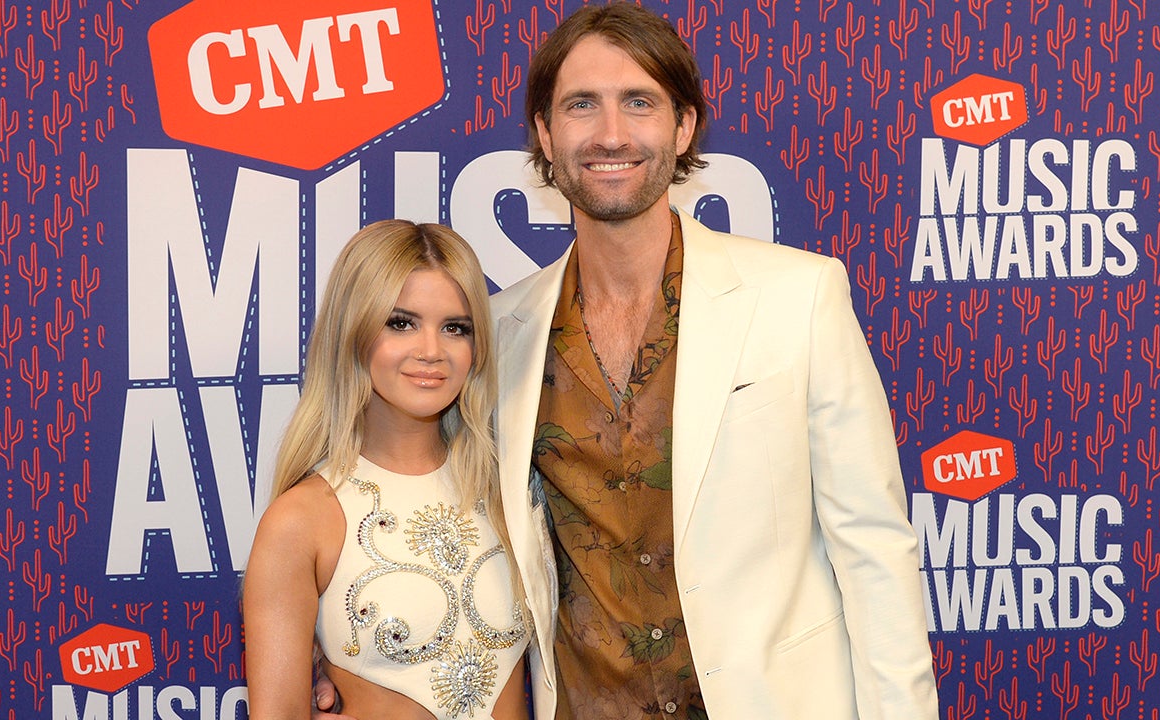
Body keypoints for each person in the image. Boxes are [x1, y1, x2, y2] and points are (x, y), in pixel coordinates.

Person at [489, 3, 939, 719]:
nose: (611, 134)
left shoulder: (798, 295)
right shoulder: (498, 334)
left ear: (684, 126)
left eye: (639, 102)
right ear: (545, 133)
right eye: (581, 105)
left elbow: (873, 550)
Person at [243, 220, 530, 720]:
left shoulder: (510, 493)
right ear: (353, 331)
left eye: (455, 328)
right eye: (401, 322)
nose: (431, 351)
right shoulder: (303, 519)